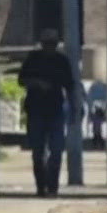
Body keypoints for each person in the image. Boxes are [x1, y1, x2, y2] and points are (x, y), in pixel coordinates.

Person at [17, 28, 76, 197]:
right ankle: (41, 187)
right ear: (42, 44)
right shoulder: (33, 59)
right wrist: (36, 83)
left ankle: (53, 187)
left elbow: (70, 86)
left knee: (56, 152)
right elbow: (21, 80)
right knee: (38, 153)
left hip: (56, 110)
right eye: (47, 43)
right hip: (36, 110)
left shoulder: (61, 61)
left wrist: (74, 109)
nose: (49, 46)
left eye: (53, 43)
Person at [84, 75, 107, 146]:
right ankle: (98, 136)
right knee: (98, 124)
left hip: (95, 108)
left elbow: (88, 98)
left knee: (96, 124)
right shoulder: (104, 87)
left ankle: (97, 136)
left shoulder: (93, 87)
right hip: (100, 108)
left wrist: (91, 106)